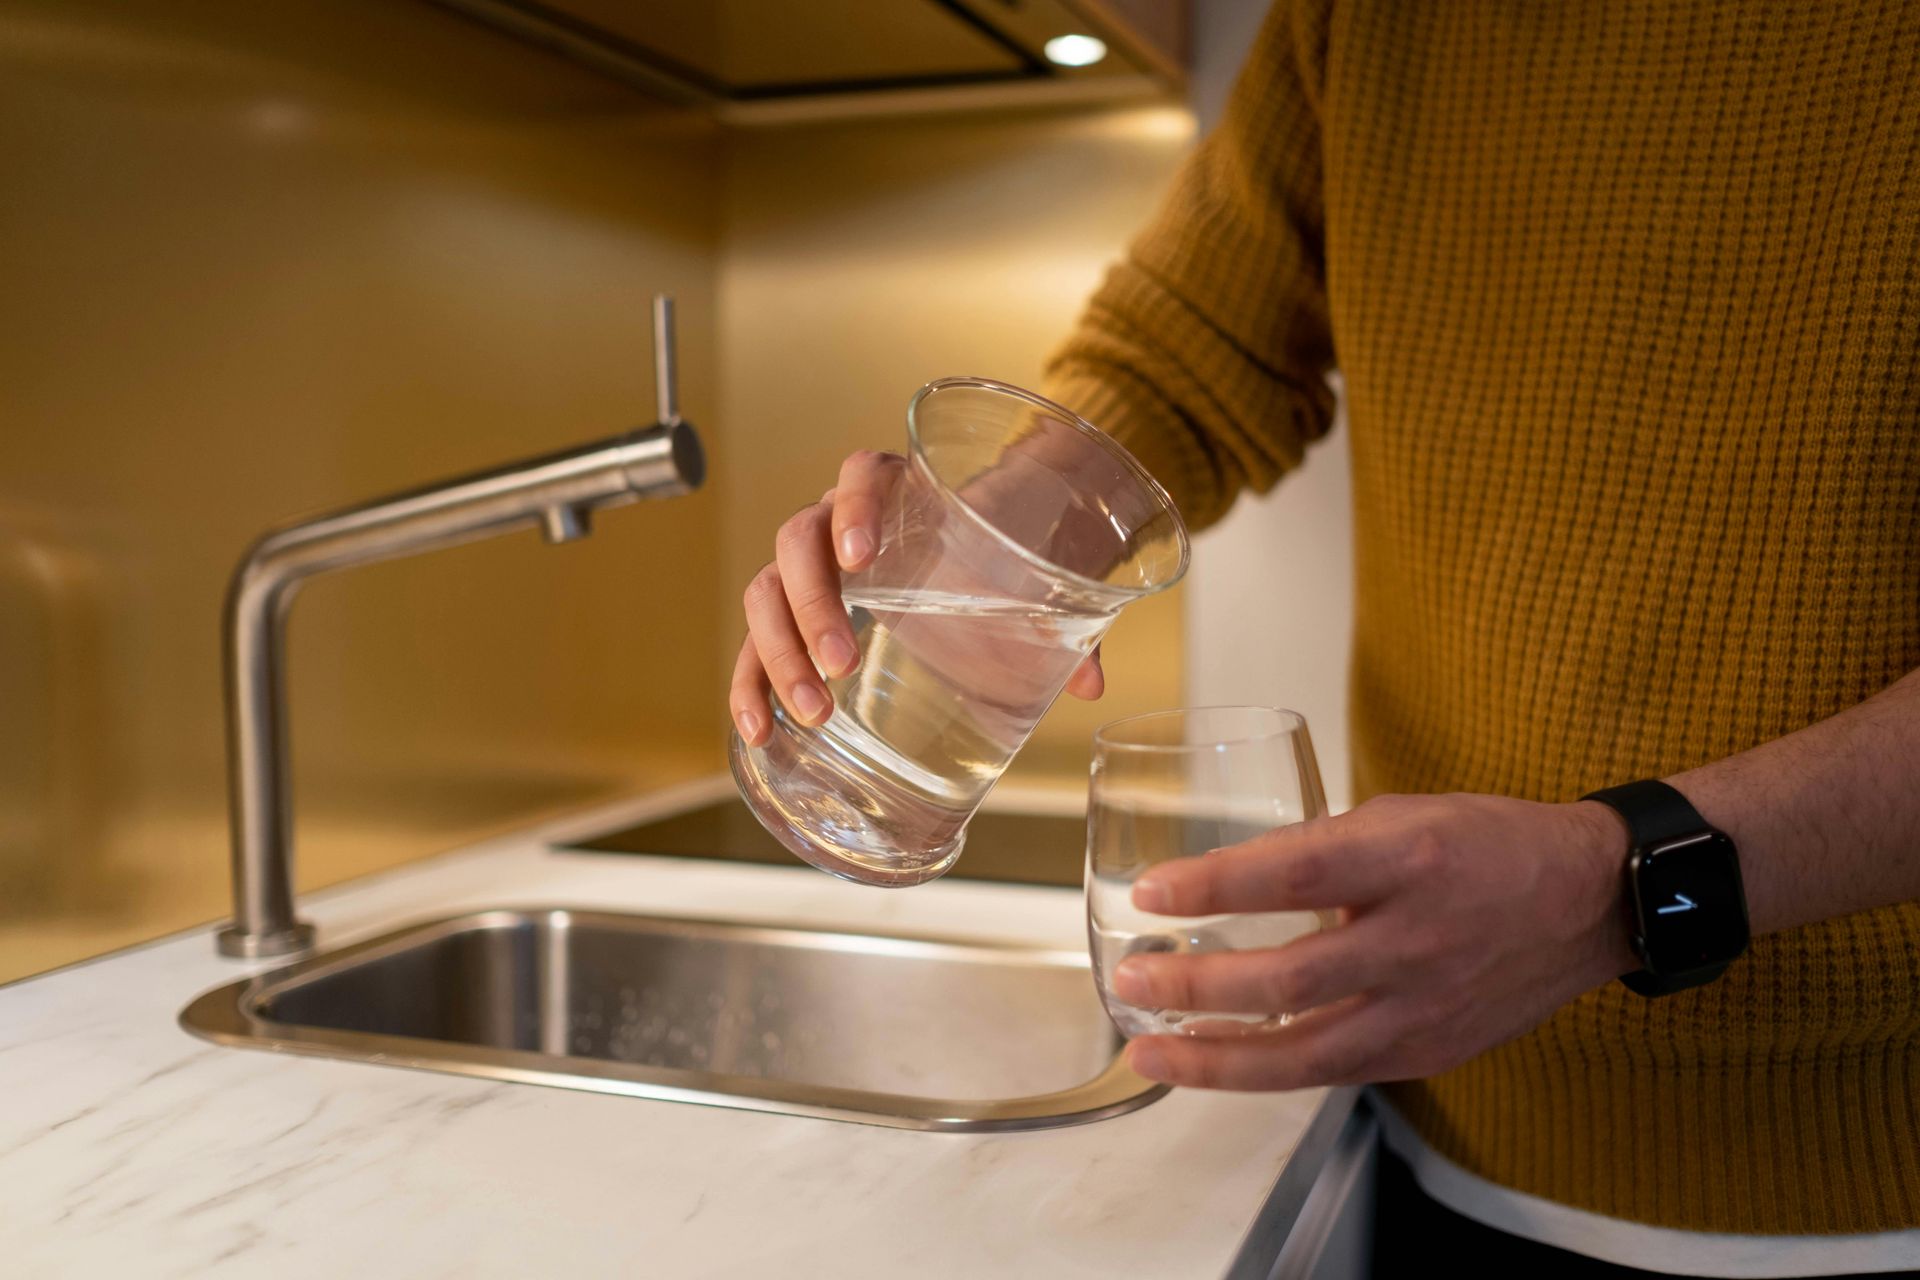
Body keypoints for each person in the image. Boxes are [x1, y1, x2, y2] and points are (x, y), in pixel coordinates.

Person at [730, 3, 1920, 1275]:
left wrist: (1614, 886)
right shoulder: (1369, 19)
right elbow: (1188, 358)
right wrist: (995, 543)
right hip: (1435, 1118)